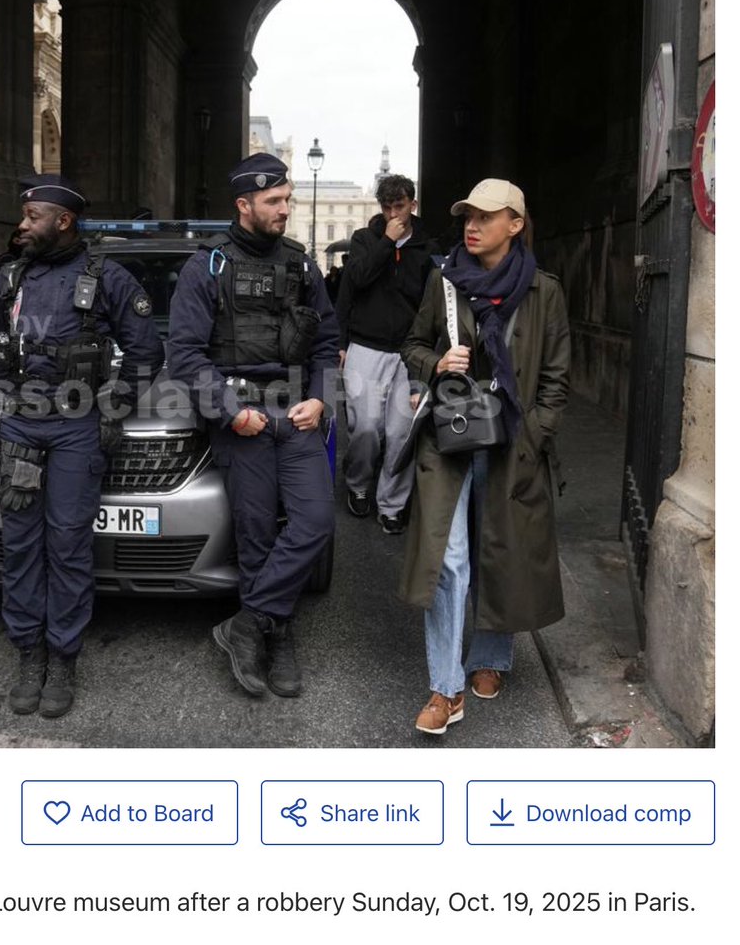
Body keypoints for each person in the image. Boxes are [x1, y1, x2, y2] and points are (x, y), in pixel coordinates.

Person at [0, 174, 163, 718]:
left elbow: (144, 351)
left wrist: (112, 407)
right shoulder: (8, 279)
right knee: (20, 546)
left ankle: (63, 658)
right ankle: (27, 655)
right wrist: (15, 391)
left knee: (67, 547)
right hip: (20, 428)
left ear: (63, 221)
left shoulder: (108, 278)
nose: (21, 224)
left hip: (77, 429)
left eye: (31, 216)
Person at [399, 179, 570, 735]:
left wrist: (536, 436)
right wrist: (437, 363)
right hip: (450, 438)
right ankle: (444, 689)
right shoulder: (443, 281)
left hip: (512, 441)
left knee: (501, 546)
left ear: (515, 224)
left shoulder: (544, 291)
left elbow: (555, 378)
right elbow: (412, 346)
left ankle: (491, 657)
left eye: (485, 217)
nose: (471, 225)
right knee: (449, 561)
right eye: (467, 216)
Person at [167, 153, 340, 699]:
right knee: (257, 533)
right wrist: (229, 411)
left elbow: (329, 344)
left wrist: (321, 399)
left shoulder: (303, 266)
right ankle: (276, 635)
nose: (285, 209)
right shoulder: (207, 268)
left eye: (287, 199)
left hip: (296, 415)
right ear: (244, 206)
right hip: (242, 418)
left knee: (315, 522)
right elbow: (185, 354)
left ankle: (247, 624)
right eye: (274, 201)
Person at [335, 174, 436, 534]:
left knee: (400, 431)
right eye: (387, 206)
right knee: (364, 427)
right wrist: (341, 343)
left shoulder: (426, 249)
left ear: (413, 204)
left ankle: (391, 504)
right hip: (365, 345)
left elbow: (430, 304)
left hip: (408, 351)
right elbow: (353, 284)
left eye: (400, 206)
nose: (394, 213)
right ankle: (359, 485)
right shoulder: (365, 240)